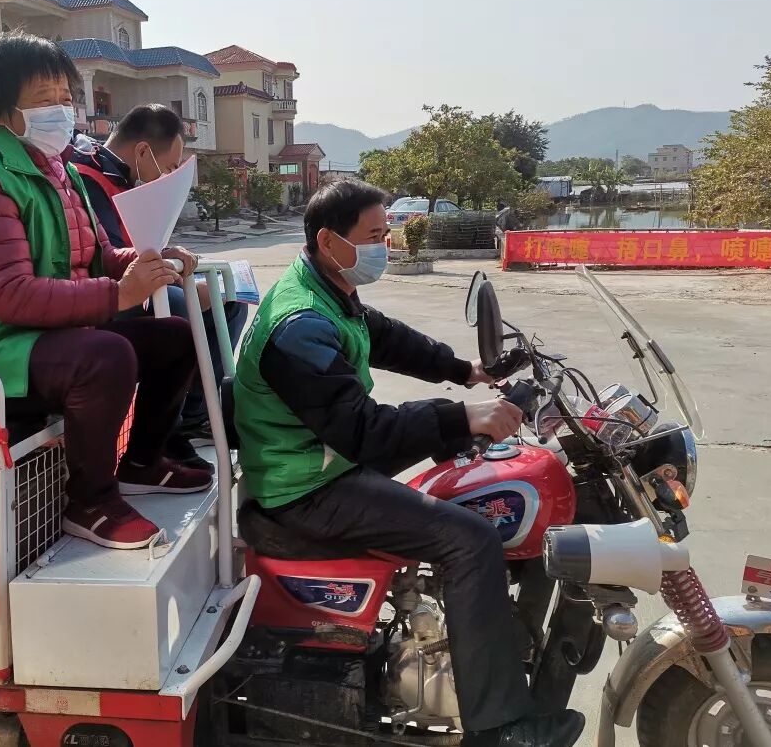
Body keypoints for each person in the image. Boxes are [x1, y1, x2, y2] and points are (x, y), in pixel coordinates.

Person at [233, 179, 585, 747]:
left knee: (462, 456)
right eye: (374, 236)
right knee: (470, 539)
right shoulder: (300, 325)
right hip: (306, 486)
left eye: (387, 234)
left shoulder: (327, 288)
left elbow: (385, 336)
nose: (386, 246)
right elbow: (363, 433)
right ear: (329, 240)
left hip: (322, 461)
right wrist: (461, 416)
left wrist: (465, 371)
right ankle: (500, 727)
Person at [0, 32, 211, 551]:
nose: (60, 110)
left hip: (41, 338)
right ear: (0, 107)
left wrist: (147, 258)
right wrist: (119, 295)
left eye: (64, 96)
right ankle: (90, 501)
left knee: (175, 337)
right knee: (105, 354)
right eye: (43, 98)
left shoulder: (59, 169)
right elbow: (11, 295)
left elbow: (98, 254)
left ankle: (142, 462)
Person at [70, 106, 247, 465]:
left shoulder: (121, 179)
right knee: (179, 309)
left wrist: (169, 258)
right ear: (142, 152)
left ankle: (196, 414)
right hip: (101, 297)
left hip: (139, 280)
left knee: (230, 299)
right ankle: (168, 431)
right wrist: (174, 278)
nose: (167, 177)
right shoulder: (86, 178)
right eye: (168, 168)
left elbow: (133, 249)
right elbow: (110, 259)